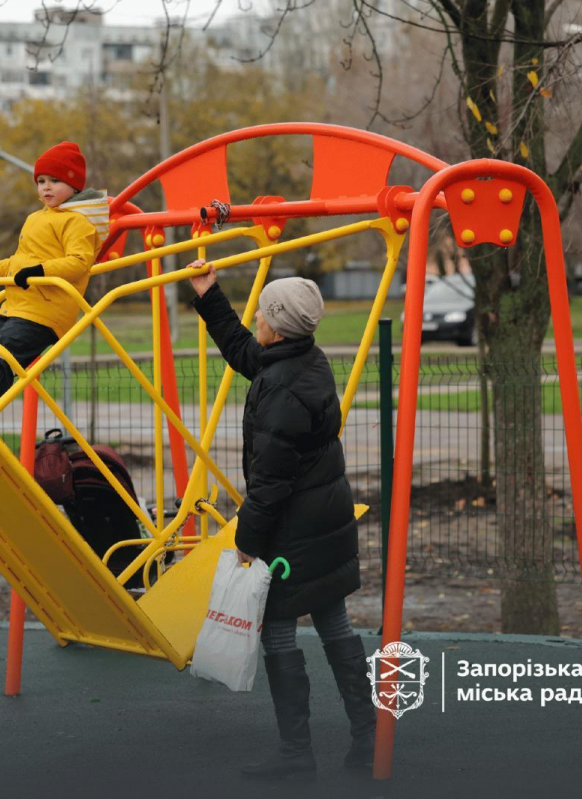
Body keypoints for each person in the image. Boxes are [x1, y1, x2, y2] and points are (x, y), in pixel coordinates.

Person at [188, 260, 373, 780]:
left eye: (261, 314)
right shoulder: (299, 359)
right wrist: (209, 295)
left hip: (294, 528)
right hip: (324, 518)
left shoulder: (283, 391)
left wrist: (249, 541)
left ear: (276, 324)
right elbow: (245, 351)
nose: (256, 322)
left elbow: (269, 482)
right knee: (334, 619)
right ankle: (367, 736)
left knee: (277, 632)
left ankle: (297, 752)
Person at [0, 141, 108, 413]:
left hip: (44, 312)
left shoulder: (77, 222)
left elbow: (80, 262)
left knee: (0, 353)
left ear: (75, 186)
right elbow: (20, 258)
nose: (46, 187)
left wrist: (40, 272)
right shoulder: (35, 219)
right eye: (41, 181)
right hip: (15, 306)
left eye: (55, 181)